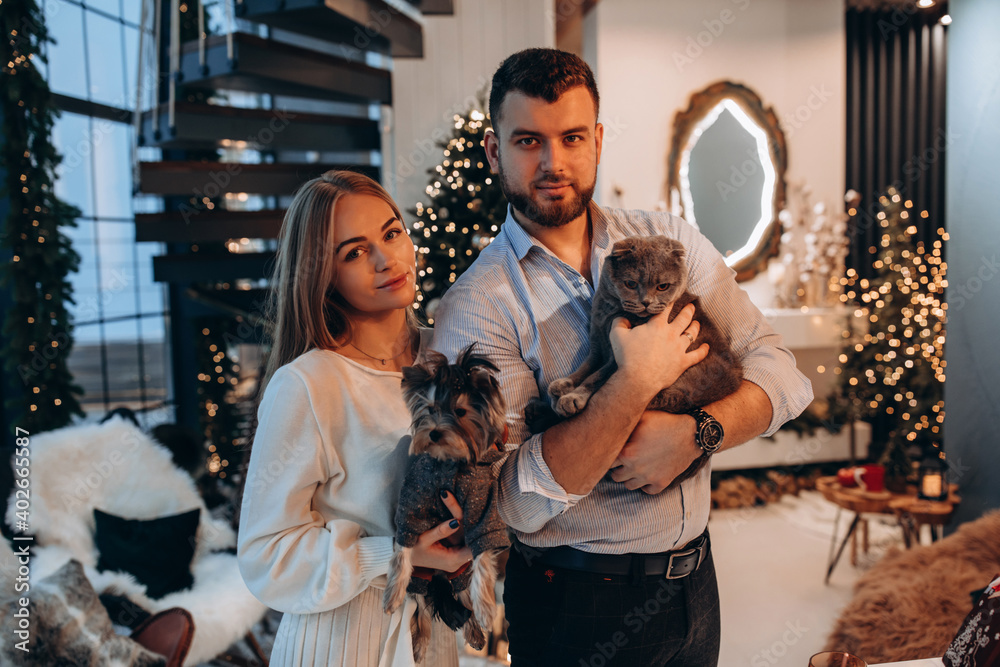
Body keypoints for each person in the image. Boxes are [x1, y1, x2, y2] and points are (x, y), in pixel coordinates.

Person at [431, 49, 814, 666]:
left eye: (572, 137)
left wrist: (699, 433)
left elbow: (782, 371)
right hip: (575, 608)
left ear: (598, 140)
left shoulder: (671, 243)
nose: (553, 163)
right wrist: (636, 380)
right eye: (528, 140)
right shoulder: (477, 309)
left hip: (697, 584)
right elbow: (512, 505)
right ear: (492, 151)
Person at [237, 171, 468, 667]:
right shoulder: (310, 384)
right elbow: (264, 556)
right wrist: (390, 555)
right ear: (324, 275)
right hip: (341, 644)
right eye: (355, 252)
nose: (388, 260)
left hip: (436, 639)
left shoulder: (446, 358)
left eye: (391, 233)